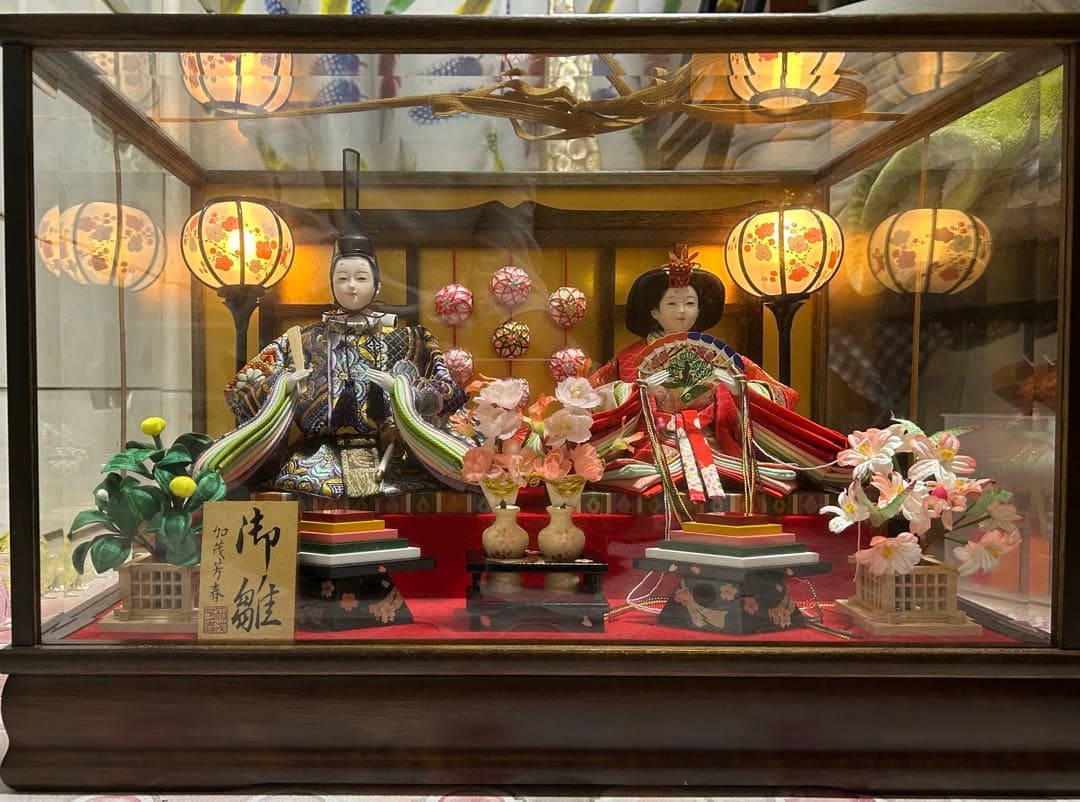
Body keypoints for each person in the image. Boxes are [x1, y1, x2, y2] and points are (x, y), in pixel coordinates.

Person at [197, 219, 465, 502]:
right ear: (332, 285)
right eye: (342, 278)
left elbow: (451, 394)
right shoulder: (302, 340)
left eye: (361, 278)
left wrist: (402, 390)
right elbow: (239, 391)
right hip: (316, 463)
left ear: (377, 286)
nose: (351, 287)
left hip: (391, 460)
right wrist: (282, 386)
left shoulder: (410, 339)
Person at [588, 246, 848, 503]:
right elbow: (592, 398)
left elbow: (783, 395)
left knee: (759, 473)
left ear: (699, 310)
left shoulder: (722, 356)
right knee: (638, 472)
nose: (682, 311)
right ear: (654, 312)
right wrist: (635, 393)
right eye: (672, 303)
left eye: (690, 303)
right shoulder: (628, 359)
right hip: (652, 442)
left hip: (715, 440)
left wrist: (737, 390)